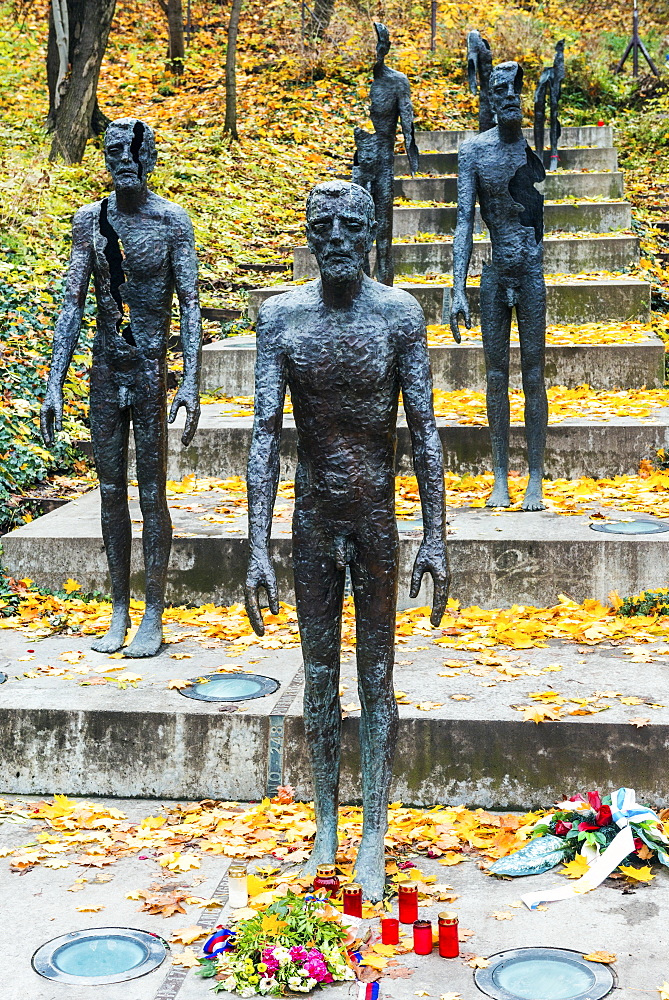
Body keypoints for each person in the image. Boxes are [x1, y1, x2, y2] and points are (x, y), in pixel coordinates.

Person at [245, 180, 449, 901]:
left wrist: (436, 536)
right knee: (320, 673)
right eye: (319, 225)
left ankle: (372, 831)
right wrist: (254, 545)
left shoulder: (399, 315)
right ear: (306, 233)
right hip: (312, 518)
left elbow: (423, 429)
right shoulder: (280, 318)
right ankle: (327, 824)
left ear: (369, 232)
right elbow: (265, 435)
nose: (333, 237)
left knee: (376, 676)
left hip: (373, 518)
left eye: (348, 225)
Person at [41, 117, 202, 657]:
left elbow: (190, 304)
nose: (123, 161)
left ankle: (153, 611)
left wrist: (192, 380)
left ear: (150, 158)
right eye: (113, 152)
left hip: (152, 369)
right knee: (111, 492)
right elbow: (72, 302)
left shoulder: (171, 222)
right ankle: (118, 608)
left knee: (152, 492)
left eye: (132, 152)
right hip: (106, 369)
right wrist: (55, 381)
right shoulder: (91, 221)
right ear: (105, 159)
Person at [450, 62, 548, 511]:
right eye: (499, 90)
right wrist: (456, 288)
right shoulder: (473, 151)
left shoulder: (534, 149)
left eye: (515, 90)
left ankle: (535, 478)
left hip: (529, 274)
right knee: (494, 377)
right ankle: (499, 478)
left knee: (531, 376)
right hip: (494, 275)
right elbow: (464, 224)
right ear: (489, 99)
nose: (509, 96)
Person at [352, 22, 418, 286]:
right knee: (357, 232)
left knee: (384, 237)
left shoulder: (397, 82)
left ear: (386, 48)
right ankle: (361, 288)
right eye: (370, 45)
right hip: (359, 163)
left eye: (379, 44)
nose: (374, 51)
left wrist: (412, 151)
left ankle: (385, 292)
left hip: (383, 164)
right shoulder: (355, 81)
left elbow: (408, 120)